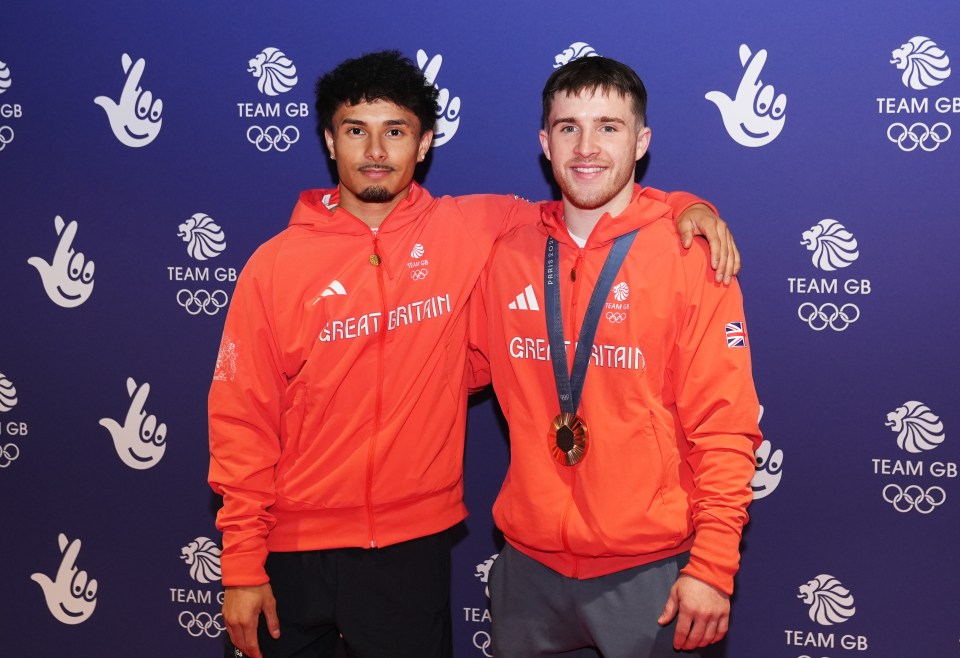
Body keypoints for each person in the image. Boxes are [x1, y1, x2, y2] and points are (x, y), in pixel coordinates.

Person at [208, 50, 737, 658]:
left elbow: (592, 199)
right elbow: (240, 418)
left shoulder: (475, 226)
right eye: (356, 131)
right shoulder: (274, 264)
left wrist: (686, 206)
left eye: (396, 131)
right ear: (330, 141)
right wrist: (243, 560)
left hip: (414, 547)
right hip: (291, 546)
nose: (376, 150)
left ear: (425, 142)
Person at [473, 56, 763, 657]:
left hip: (652, 574)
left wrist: (711, 566)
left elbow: (726, 424)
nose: (587, 147)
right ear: (544, 142)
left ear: (642, 141)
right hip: (526, 573)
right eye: (568, 127)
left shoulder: (690, 254)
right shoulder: (504, 252)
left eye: (608, 126)